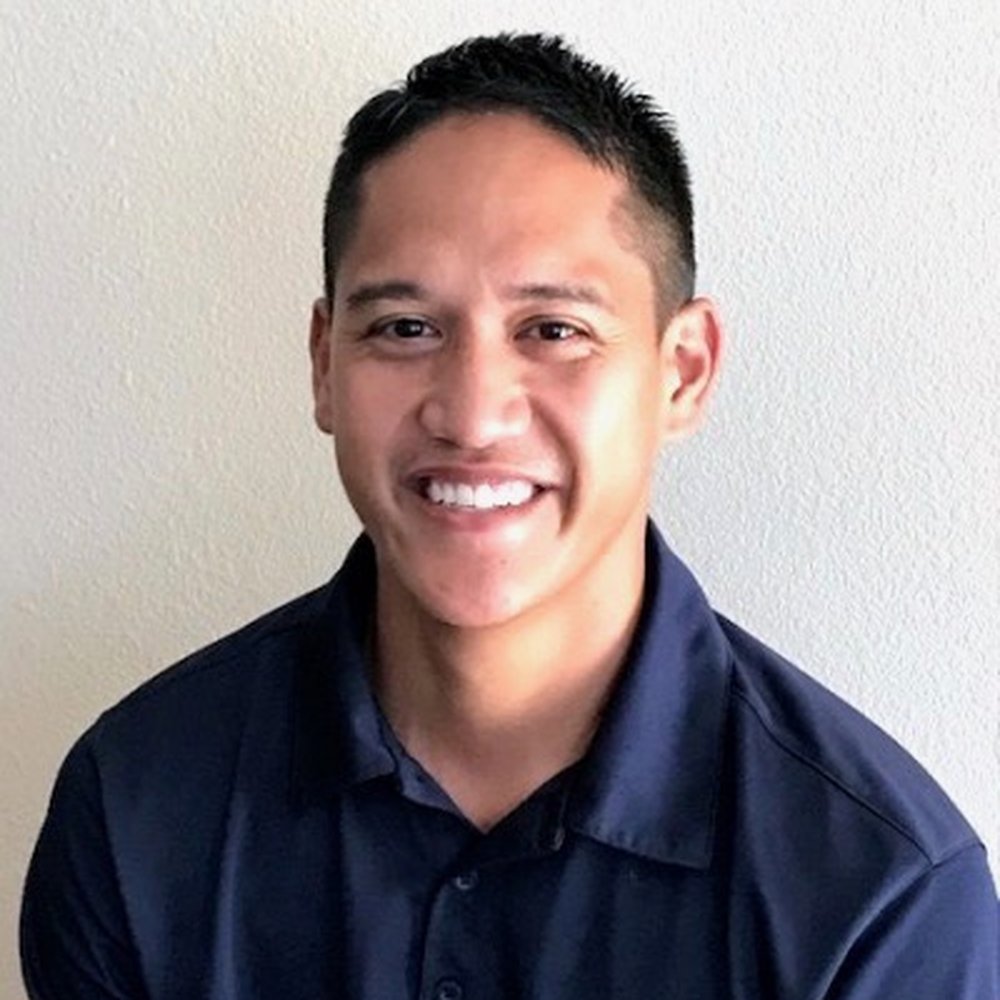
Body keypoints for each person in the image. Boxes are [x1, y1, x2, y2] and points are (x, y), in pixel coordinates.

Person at [20, 32, 996, 1000]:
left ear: (682, 371)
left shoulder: (879, 894)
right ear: (324, 365)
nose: (472, 413)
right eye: (405, 328)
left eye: (553, 330)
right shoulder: (137, 804)